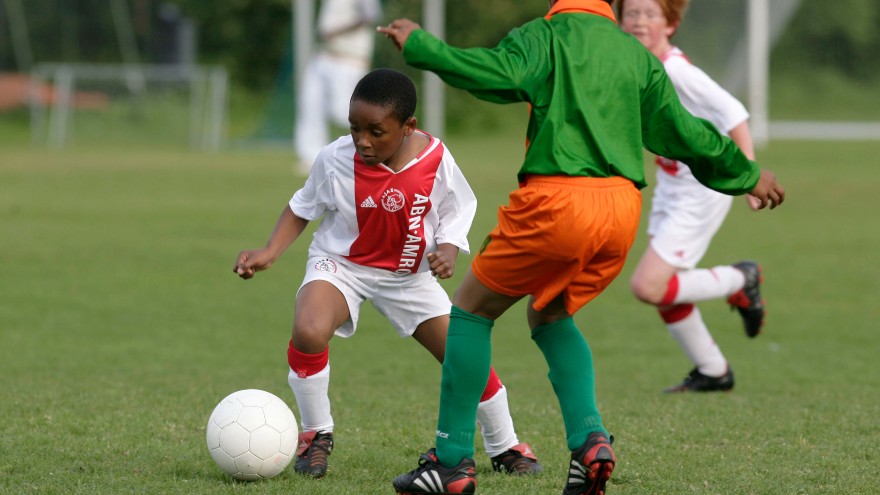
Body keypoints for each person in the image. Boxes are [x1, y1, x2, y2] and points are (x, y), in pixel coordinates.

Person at [378, 1, 785, 494]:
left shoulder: (547, 34)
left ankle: (451, 463)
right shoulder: (636, 56)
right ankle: (590, 442)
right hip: (621, 210)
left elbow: (494, 72)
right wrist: (747, 174)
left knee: (470, 312)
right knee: (549, 314)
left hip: (558, 202)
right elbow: (684, 132)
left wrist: (421, 45)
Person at [234, 69, 542, 480]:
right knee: (308, 328)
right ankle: (315, 435)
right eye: (355, 128)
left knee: (461, 355)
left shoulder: (434, 157)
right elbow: (302, 207)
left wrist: (448, 248)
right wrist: (269, 251)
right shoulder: (335, 159)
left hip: (408, 277)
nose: (362, 140)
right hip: (342, 265)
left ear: (408, 126)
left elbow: (457, 207)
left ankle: (504, 445)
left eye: (376, 131)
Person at [620, 0, 764, 393]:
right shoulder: (638, 64)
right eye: (631, 13)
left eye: (650, 14)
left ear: (671, 24)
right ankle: (713, 370)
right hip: (672, 184)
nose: (638, 21)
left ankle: (740, 278)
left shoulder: (676, 70)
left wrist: (748, 176)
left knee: (648, 286)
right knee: (668, 285)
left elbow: (734, 113)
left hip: (700, 188)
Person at [295, 0, 383, 174]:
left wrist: (336, 31)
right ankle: (312, 159)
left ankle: (379, 148)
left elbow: (371, 16)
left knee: (344, 111)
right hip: (324, 55)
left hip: (349, 59)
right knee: (311, 105)